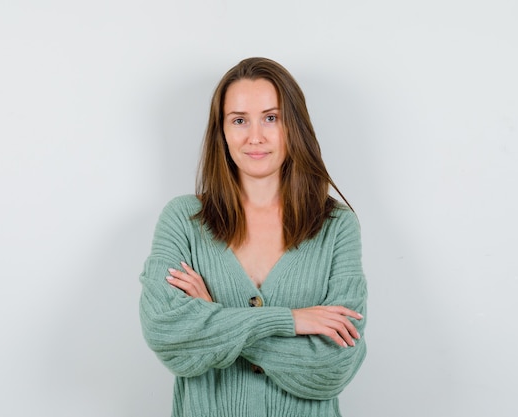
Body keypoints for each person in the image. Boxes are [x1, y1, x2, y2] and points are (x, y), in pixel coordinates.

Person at [139, 57, 367, 417]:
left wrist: (214, 318)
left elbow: (333, 367)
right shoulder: (183, 220)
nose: (255, 136)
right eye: (240, 120)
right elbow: (167, 334)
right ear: (223, 131)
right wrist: (290, 321)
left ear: (294, 126)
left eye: (271, 118)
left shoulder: (336, 226)